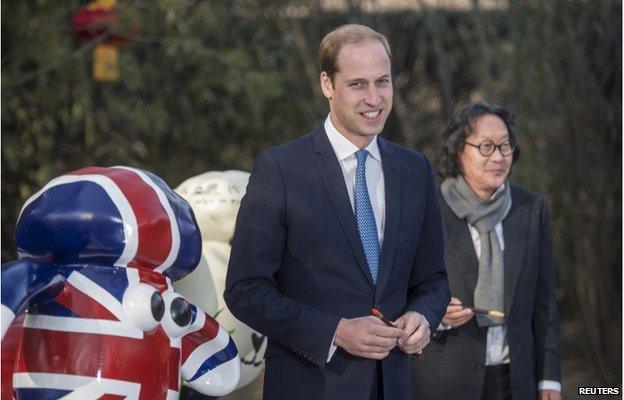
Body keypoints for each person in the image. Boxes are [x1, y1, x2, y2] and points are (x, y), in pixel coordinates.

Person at [224, 24, 450, 400]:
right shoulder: (280, 170)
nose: (374, 98)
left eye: (383, 81)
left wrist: (423, 316)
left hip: (393, 386)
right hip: (309, 387)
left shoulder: (415, 170)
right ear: (327, 85)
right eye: (358, 84)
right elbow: (245, 290)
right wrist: (335, 331)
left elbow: (433, 280)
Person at [411, 101, 562, 400]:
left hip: (516, 381)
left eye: (505, 146)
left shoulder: (530, 209)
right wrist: (436, 315)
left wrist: (550, 379)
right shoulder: (427, 210)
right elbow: (403, 291)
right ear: (458, 150)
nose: (498, 157)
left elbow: (544, 304)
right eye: (486, 147)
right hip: (446, 382)